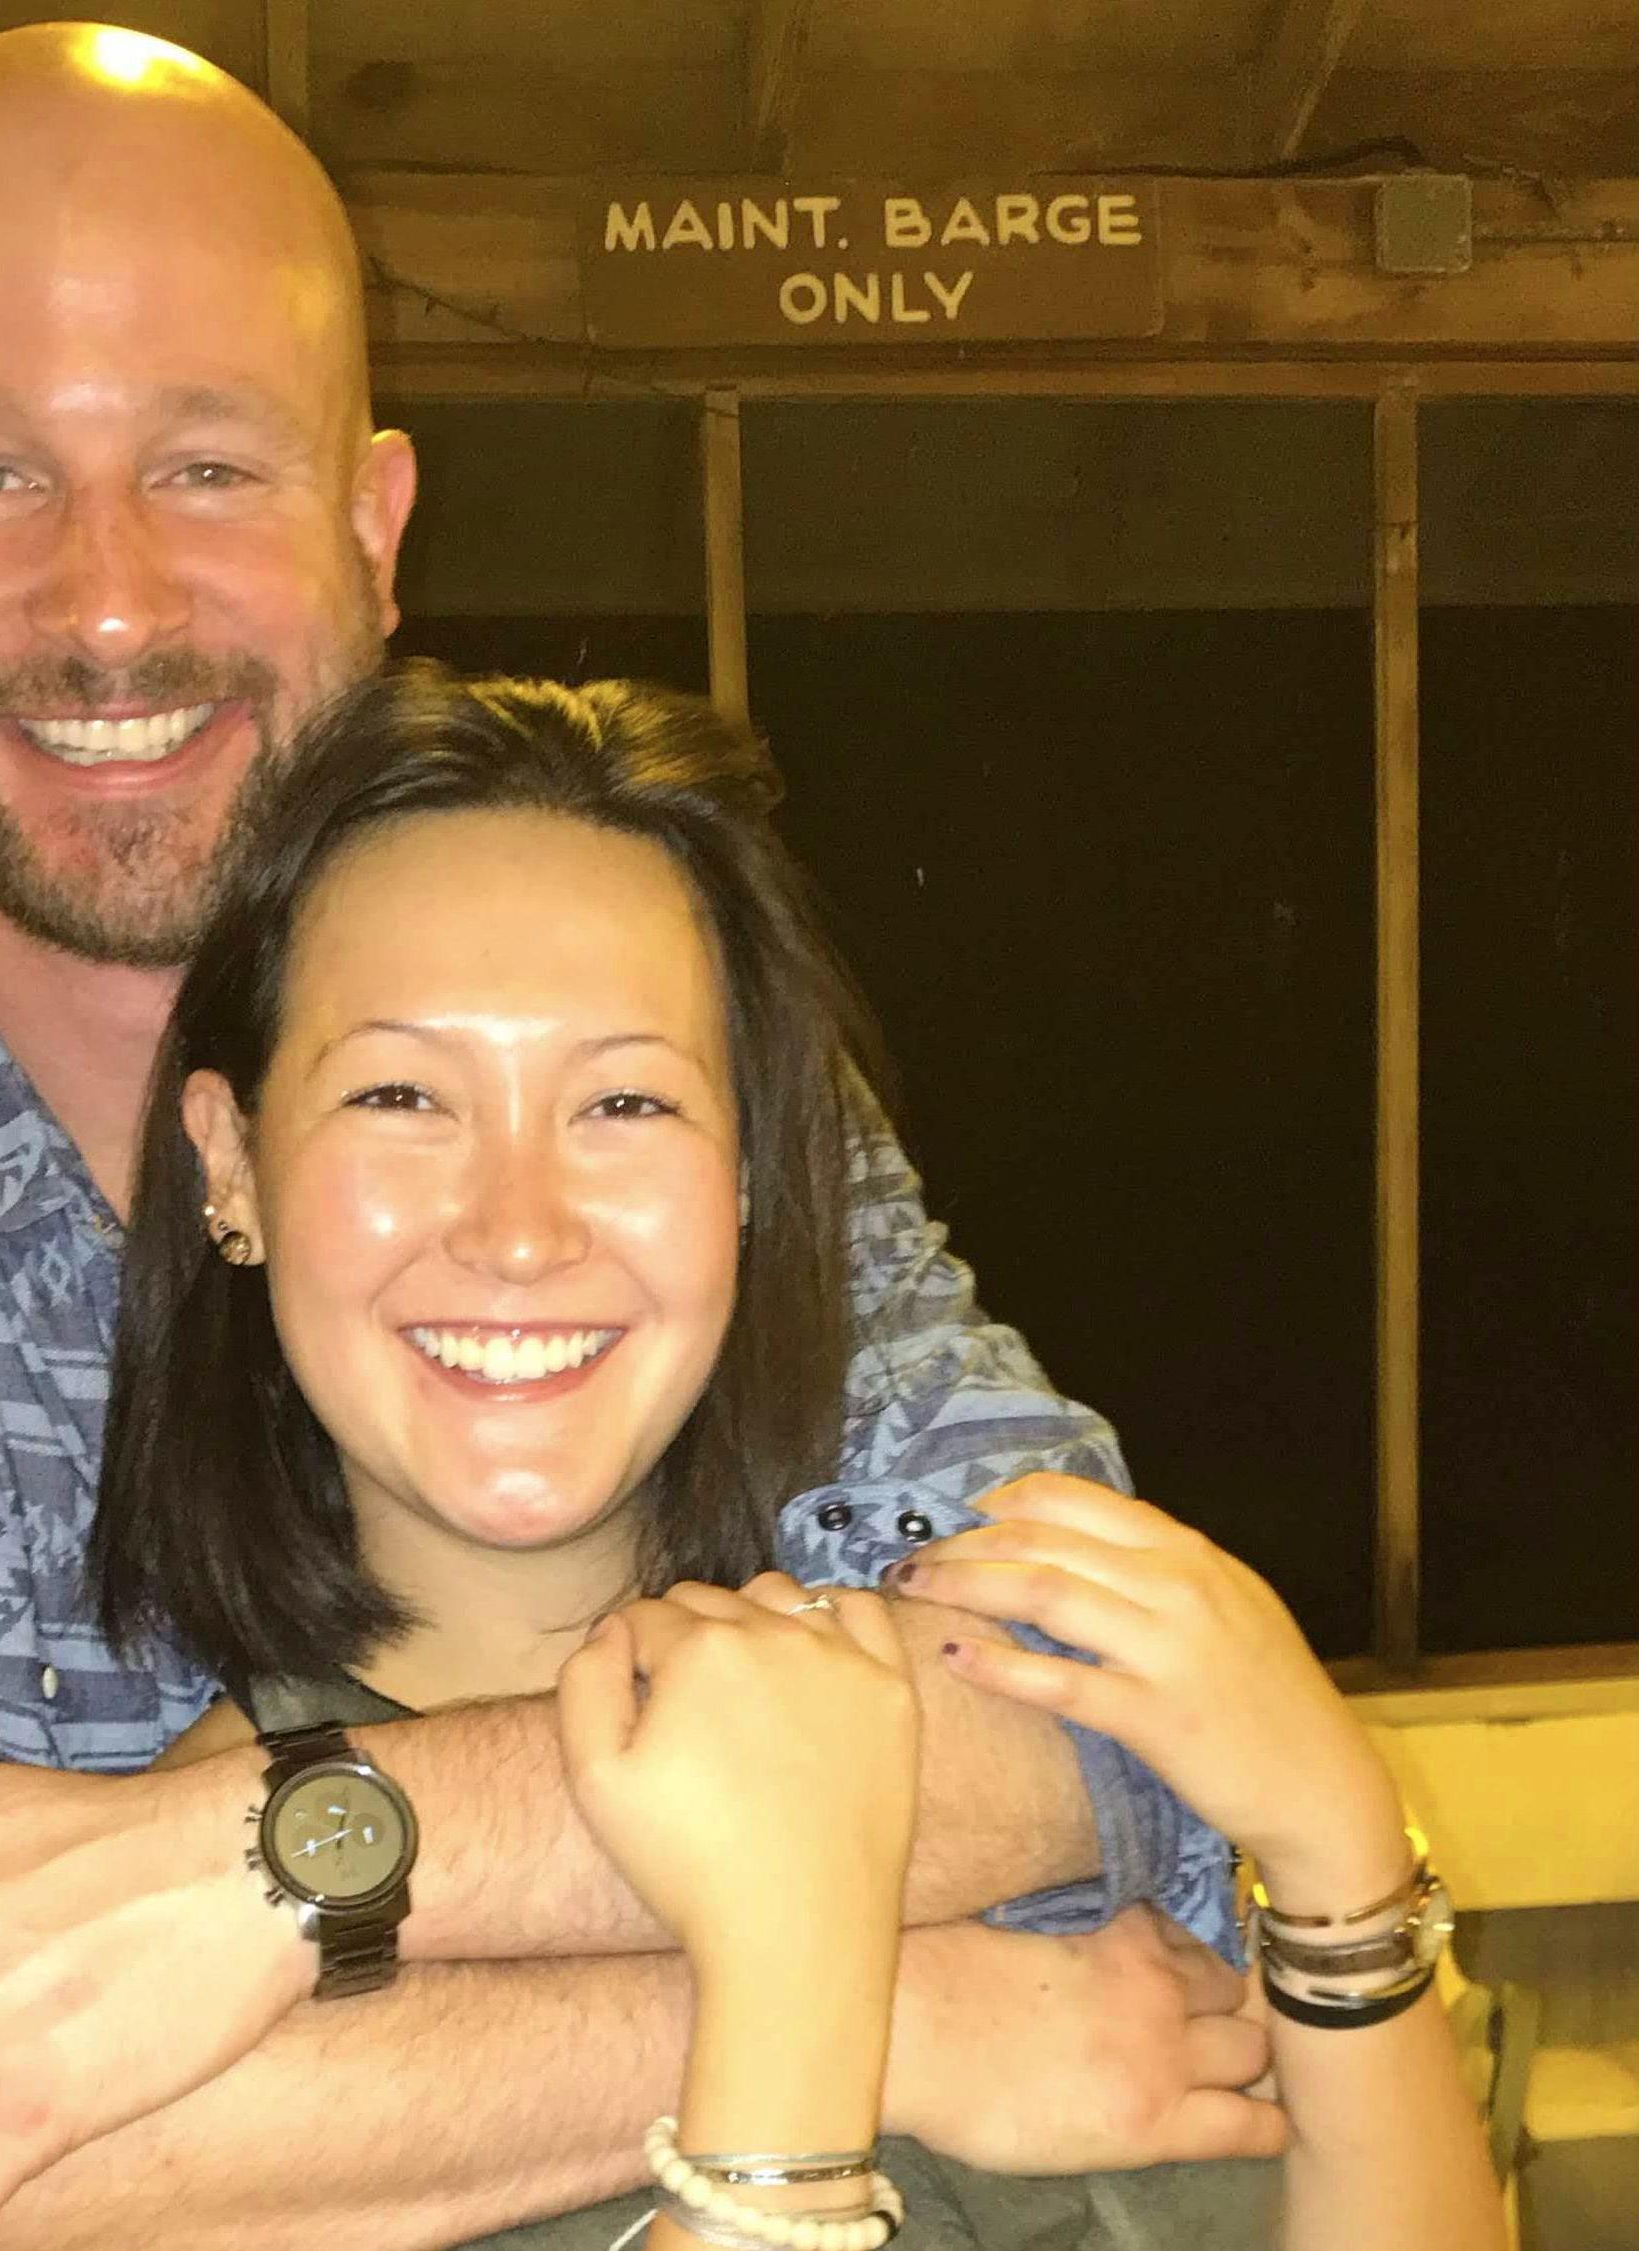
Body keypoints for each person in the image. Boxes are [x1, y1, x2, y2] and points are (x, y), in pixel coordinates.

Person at [0, 26, 1265, 2251]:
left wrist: (259, 1865)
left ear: (373, 524)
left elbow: (1123, 1722)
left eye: (208, 464)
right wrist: (864, 2006)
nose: (109, 601)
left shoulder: (663, 1057)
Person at [116, 664, 1500, 2251]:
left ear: (759, 1176)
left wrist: (1333, 1845)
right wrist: (812, 1982)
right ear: (233, 1164)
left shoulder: (994, 1700)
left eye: (623, 1101)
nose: (519, 1230)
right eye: (401, 1094)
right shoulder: (172, 1948)